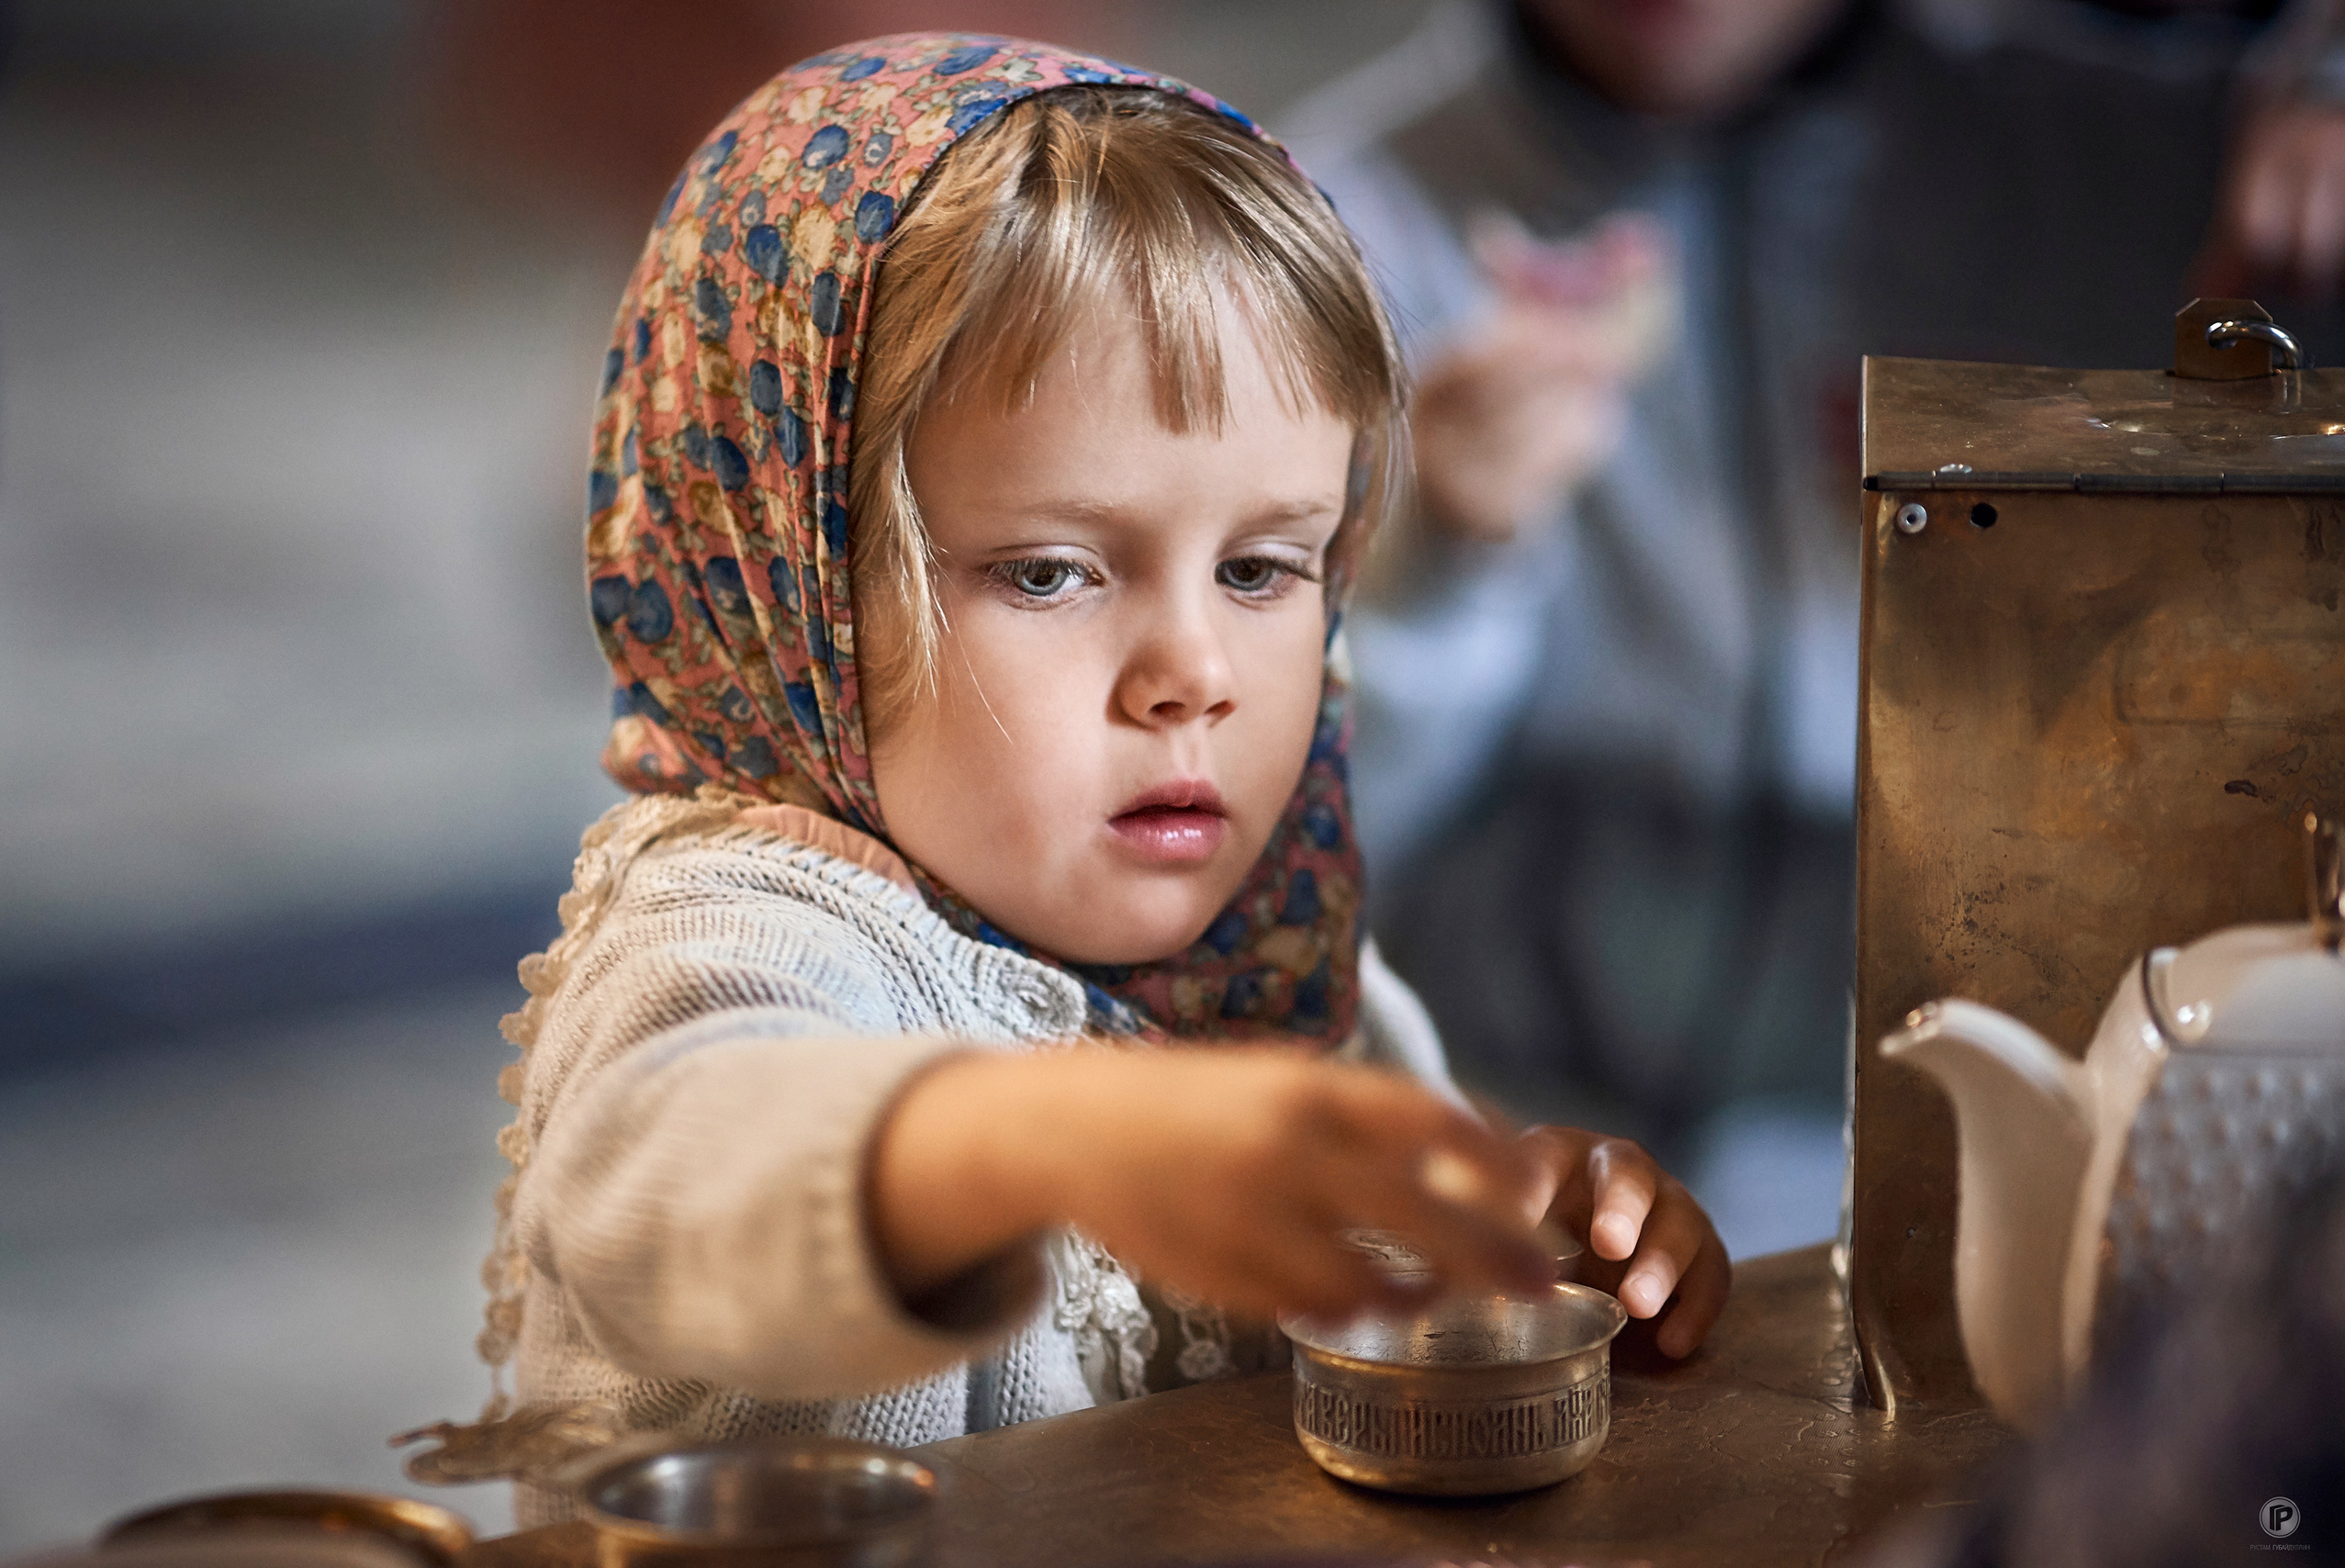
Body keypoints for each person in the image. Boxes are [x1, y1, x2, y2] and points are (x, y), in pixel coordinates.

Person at [469, 37, 1729, 1522]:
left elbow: (1381, 1292)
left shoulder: (1272, 965)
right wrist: (1047, 1139)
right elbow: (668, 1185)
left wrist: (1539, 1242)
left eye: (1265, 566)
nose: (1193, 670)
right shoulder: (735, 929)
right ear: (786, 586)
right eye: (1055, 571)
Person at [1281, 0, 2345, 1160]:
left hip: (2027, 1146)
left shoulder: (2148, 162)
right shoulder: (1331, 220)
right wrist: (1432, 567)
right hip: (1511, 1140)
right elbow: (1288, 851)